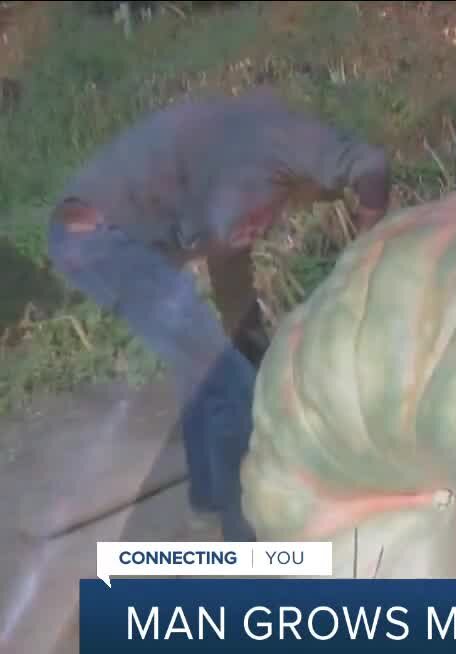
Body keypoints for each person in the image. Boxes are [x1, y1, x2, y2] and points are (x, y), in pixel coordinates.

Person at [47, 87, 391, 542]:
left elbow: (230, 277)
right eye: (318, 199)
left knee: (202, 370)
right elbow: (373, 168)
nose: (297, 212)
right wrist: (361, 261)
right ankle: (243, 540)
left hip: (92, 237)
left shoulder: (246, 154)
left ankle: (208, 505)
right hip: (101, 241)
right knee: (233, 389)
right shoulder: (296, 144)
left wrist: (252, 344)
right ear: (317, 175)